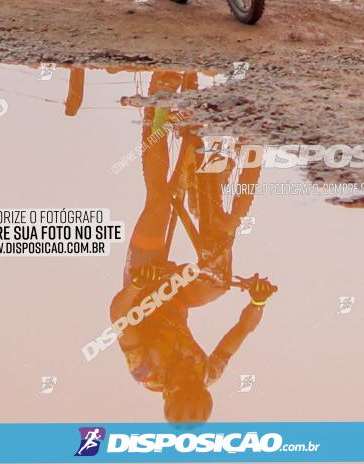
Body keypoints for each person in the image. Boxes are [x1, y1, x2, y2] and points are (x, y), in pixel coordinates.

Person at [109, 70, 277, 423]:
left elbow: (119, 317)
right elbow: (242, 331)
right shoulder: (208, 375)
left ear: (170, 392)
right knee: (220, 265)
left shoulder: (145, 372)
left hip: (143, 288)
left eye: (184, 382)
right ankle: (241, 153)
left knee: (157, 202)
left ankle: (156, 112)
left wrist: (141, 283)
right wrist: (257, 300)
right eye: (195, 383)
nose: (190, 375)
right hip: (180, 298)